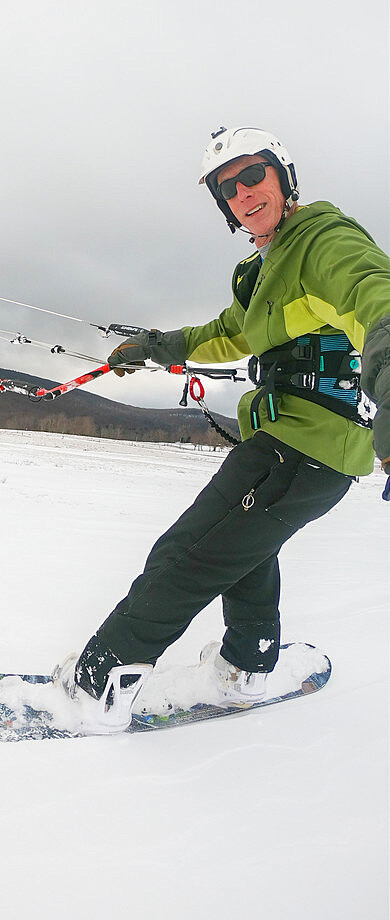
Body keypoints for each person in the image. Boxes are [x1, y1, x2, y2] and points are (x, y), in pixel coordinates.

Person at [56, 126, 390, 733]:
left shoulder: (323, 243)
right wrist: (158, 346)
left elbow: (376, 297)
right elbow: (225, 333)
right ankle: (247, 666)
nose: (242, 193)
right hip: (285, 443)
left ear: (283, 176)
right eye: (226, 187)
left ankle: (95, 690)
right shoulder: (265, 270)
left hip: (312, 451)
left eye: (253, 175)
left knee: (186, 557)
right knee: (243, 553)